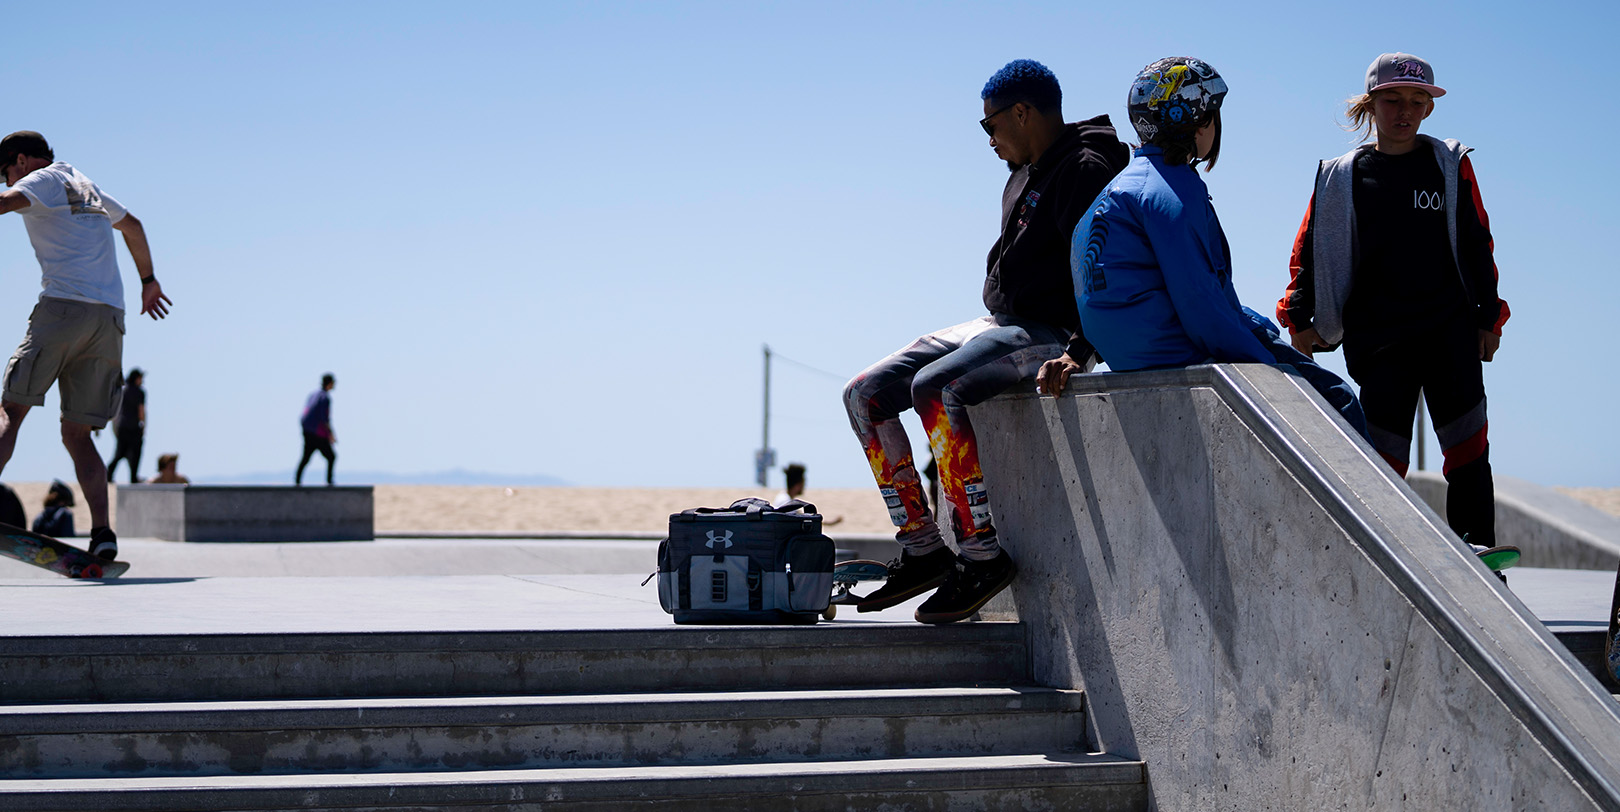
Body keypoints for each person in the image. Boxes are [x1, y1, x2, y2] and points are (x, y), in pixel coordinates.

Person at [842, 59, 1131, 624]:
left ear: (1022, 113)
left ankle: (981, 558)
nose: (990, 140)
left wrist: (1081, 349)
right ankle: (924, 549)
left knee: (934, 387)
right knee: (865, 394)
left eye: (990, 126)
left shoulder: (1085, 168)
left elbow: (1108, 270)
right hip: (1000, 323)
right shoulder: (1024, 172)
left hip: (1051, 334)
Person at [1039, 57, 1367, 443]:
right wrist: (1269, 371)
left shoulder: (1115, 192)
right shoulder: (1172, 192)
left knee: (1256, 323)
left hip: (1138, 357)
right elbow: (1201, 306)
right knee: (1337, 398)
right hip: (1180, 352)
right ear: (1198, 123)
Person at [1275, 53, 1511, 565]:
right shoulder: (1342, 175)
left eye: (1417, 100)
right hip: (1379, 339)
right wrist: (1299, 318)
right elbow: (1308, 248)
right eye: (1392, 99)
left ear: (1428, 108)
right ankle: (1381, 559)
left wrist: (1489, 317)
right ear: (1370, 105)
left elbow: (1477, 241)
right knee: (1383, 458)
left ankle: (1479, 555)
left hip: (1449, 330)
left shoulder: (1449, 164)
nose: (1405, 110)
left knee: (1469, 449)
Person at [0, 131, 170, 561]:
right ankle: (102, 533)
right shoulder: (85, 185)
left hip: (63, 309)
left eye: (6, 174)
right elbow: (132, 225)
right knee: (77, 434)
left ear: (21, 160)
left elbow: (4, 204)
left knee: (10, 411)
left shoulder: (39, 180)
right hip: (109, 318)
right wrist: (148, 281)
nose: (7, 183)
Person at [296, 373, 337, 486]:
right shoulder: (325, 398)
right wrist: (330, 434)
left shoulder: (313, 394)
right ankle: (329, 481)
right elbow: (324, 418)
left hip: (307, 430)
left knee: (306, 457)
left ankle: (297, 481)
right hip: (317, 433)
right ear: (329, 384)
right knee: (331, 456)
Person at [106, 368, 146, 483]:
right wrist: (142, 424)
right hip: (133, 427)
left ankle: (109, 474)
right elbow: (141, 410)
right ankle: (133, 478)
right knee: (135, 454)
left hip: (122, 426)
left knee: (120, 453)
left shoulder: (123, 390)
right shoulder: (139, 392)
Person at [771, 462, 842, 525]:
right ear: (797, 485)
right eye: (803, 483)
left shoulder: (785, 498)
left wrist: (830, 522)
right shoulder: (786, 501)